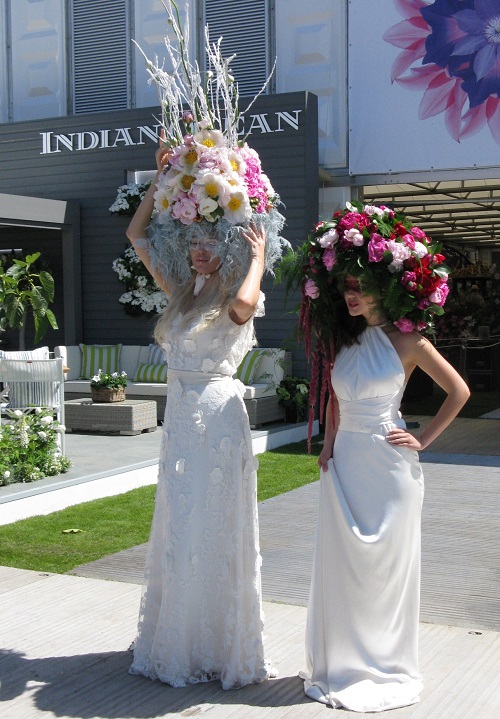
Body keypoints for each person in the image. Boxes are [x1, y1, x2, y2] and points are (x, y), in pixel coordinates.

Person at [123, 4, 286, 690]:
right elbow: (136, 238)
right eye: (190, 241)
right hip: (180, 426)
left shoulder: (234, 295)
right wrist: (160, 182)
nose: (194, 248)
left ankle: (217, 647)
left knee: (213, 533)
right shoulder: (183, 295)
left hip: (218, 422)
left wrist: (253, 254)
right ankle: (175, 643)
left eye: (203, 242)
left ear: (219, 246)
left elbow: (248, 306)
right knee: (178, 531)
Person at [294, 203, 470, 712]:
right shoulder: (343, 340)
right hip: (346, 463)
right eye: (345, 288)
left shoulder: (411, 341)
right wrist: (328, 443)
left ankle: (385, 663)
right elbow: (333, 395)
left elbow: (457, 391)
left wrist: (425, 439)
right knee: (345, 567)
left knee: (385, 571)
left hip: (389, 467)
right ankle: (344, 661)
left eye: (360, 287)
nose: (350, 296)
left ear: (386, 288)